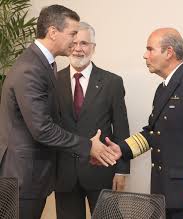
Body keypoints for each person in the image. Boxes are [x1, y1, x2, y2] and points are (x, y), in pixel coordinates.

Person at [0, 5, 118, 219]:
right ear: (53, 32)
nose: (75, 41)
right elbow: (42, 129)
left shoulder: (42, 64)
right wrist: (88, 146)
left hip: (34, 174)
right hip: (24, 175)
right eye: (72, 34)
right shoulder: (31, 69)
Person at [106, 27, 183, 219]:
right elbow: (153, 133)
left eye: (150, 49)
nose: (145, 55)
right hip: (164, 192)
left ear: (169, 52)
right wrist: (121, 150)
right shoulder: (163, 88)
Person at [54, 22, 130, 219]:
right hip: (64, 174)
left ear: (93, 48)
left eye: (84, 43)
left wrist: (122, 171)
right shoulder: (53, 81)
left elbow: (121, 128)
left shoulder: (112, 82)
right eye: (74, 42)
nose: (78, 48)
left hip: (101, 170)